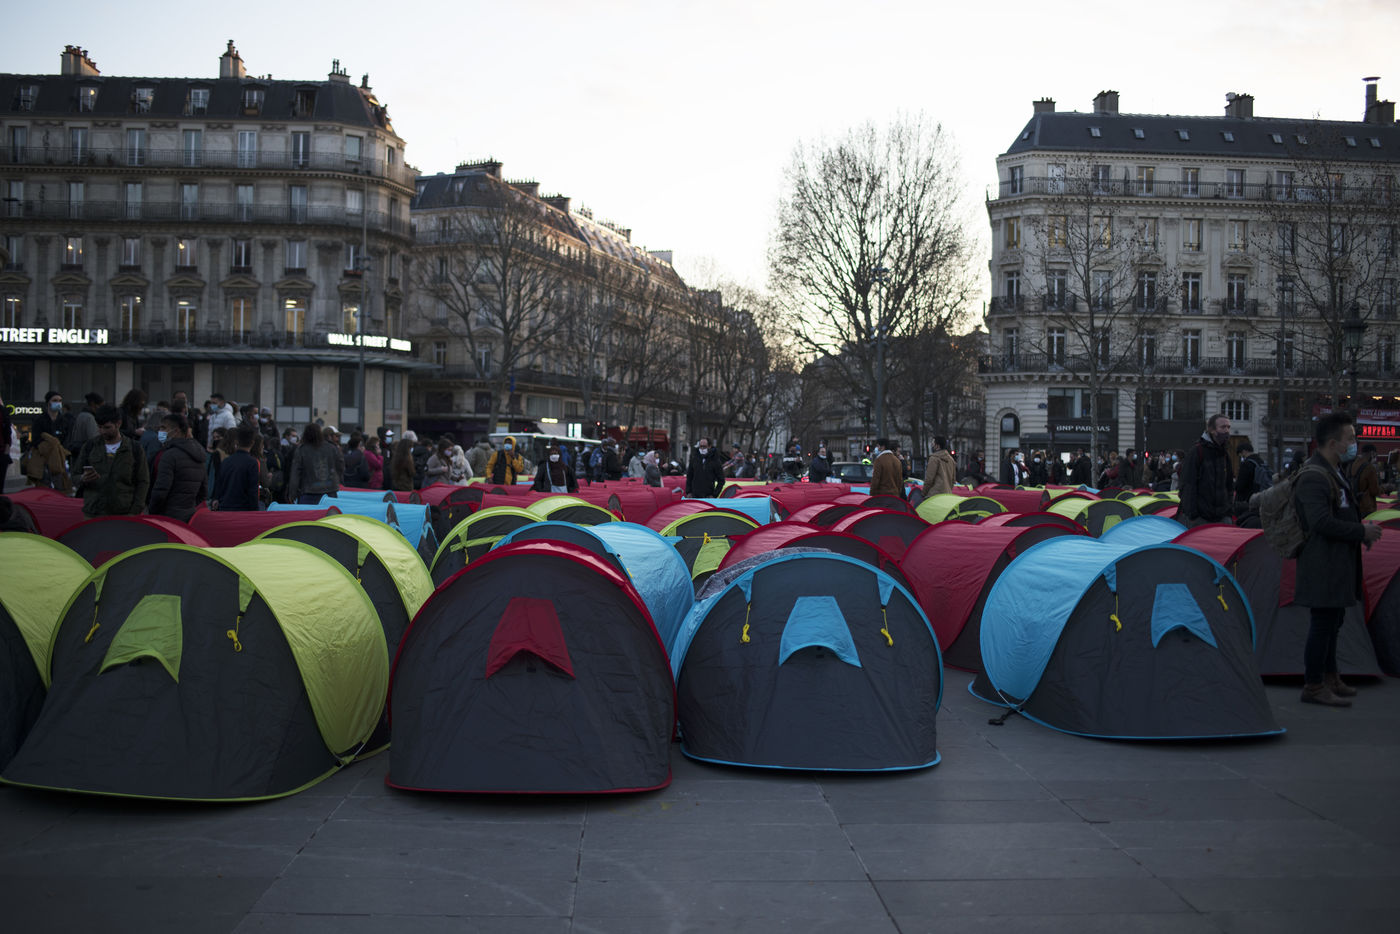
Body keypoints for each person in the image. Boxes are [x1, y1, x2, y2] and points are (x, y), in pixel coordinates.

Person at [1295, 412, 1384, 707]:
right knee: (1322, 625)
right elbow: (1320, 522)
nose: (1354, 444)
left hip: (1337, 563)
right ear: (1333, 443)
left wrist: (1359, 534)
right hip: (1322, 564)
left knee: (1333, 623)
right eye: (1351, 439)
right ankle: (1313, 684)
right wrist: (1361, 531)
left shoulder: (1335, 471)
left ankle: (1331, 677)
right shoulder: (1313, 476)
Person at [72, 405, 149, 517]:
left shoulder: (134, 449)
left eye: (107, 427)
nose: (102, 431)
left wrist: (135, 510)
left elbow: (143, 481)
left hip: (123, 512)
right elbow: (75, 475)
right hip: (94, 512)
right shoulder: (90, 446)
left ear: (118, 423)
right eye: (99, 427)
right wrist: (82, 478)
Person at [148, 412, 208, 521]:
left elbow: (161, 490)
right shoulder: (199, 454)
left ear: (176, 431)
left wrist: (152, 510)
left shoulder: (169, 455)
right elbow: (203, 492)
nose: (160, 431)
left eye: (163, 428)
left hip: (168, 515)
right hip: (189, 515)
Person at [1179, 414, 1235, 527]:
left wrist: (1228, 511)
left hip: (1221, 517)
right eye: (1223, 427)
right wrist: (1193, 515)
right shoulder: (1197, 452)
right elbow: (1188, 485)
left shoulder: (1224, 454)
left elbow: (1229, 485)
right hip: (1201, 518)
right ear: (1212, 430)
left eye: (1228, 427)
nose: (1227, 430)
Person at [210, 424, 261, 512]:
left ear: (237, 442)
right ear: (252, 443)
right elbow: (252, 490)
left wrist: (216, 498)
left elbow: (219, 482)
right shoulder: (252, 463)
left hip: (225, 507)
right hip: (243, 509)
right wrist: (255, 510)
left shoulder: (226, 461)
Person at [286, 423, 340, 505]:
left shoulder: (302, 450)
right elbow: (339, 467)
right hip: (330, 490)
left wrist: (292, 493)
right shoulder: (331, 448)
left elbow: (295, 474)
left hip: (309, 491)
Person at [1234, 441, 1271, 506]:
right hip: (1260, 497)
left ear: (1244, 451)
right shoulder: (1261, 461)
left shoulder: (1246, 464)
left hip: (1247, 500)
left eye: (1241, 455)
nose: (1242, 457)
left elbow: (1240, 486)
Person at [1350, 444, 1382, 518]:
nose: (1375, 458)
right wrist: (1385, 488)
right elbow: (1374, 491)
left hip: (1354, 504)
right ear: (1372, 453)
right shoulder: (1370, 468)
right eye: (1375, 455)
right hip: (1367, 507)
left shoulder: (1354, 464)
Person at [69, 391, 103, 455]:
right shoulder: (90, 418)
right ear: (93, 404)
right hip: (86, 454)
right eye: (100, 405)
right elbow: (94, 439)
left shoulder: (80, 415)